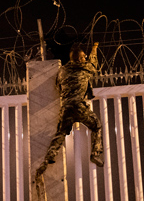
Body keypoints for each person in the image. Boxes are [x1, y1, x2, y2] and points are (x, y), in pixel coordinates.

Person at [36, 42, 103, 179]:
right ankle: (95, 153)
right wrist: (94, 49)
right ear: (79, 59)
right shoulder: (84, 69)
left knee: (61, 133)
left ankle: (50, 156)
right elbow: (94, 64)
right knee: (97, 125)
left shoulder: (63, 71)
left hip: (66, 107)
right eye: (83, 57)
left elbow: (57, 86)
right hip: (79, 107)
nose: (85, 58)